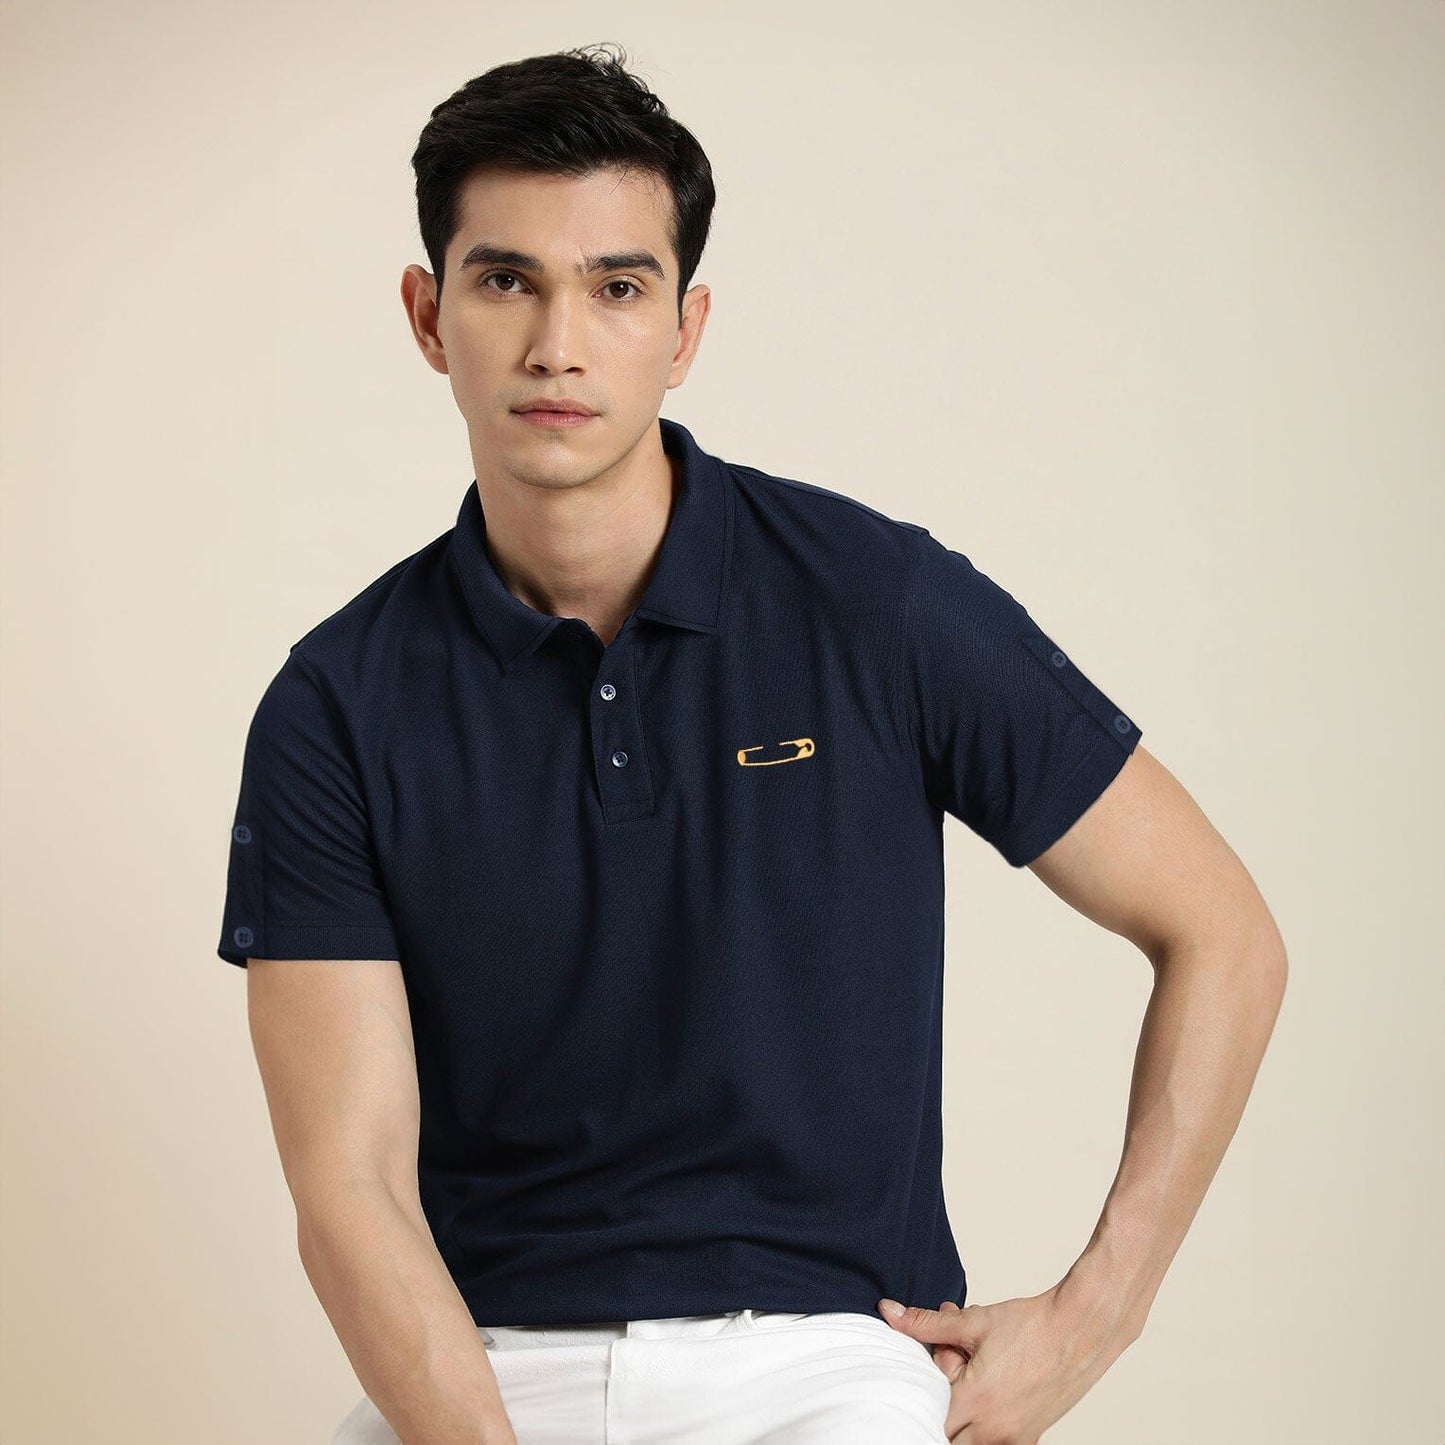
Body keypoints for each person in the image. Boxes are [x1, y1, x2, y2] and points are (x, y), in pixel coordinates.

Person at [217, 41, 1287, 1445]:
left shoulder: (877, 604)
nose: (557, 344)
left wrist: (1094, 1317)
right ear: (429, 315)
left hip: (824, 1361)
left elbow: (1223, 932)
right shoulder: (336, 702)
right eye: (505, 280)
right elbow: (349, 1187)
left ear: (685, 327)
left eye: (617, 287)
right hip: (480, 1368)